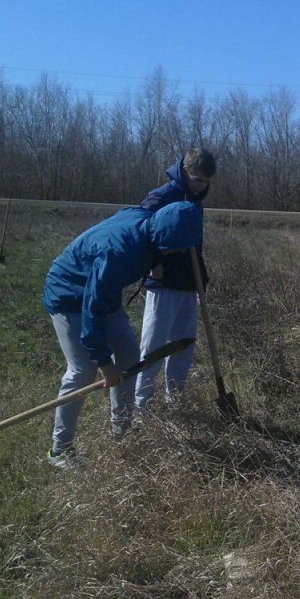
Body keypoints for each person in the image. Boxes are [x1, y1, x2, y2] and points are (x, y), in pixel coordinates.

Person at [42, 200, 203, 468]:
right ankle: (60, 450)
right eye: (175, 246)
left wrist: (154, 260)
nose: (176, 251)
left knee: (129, 356)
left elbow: (105, 288)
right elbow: (91, 309)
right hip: (68, 294)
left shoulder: (147, 220)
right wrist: (105, 364)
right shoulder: (117, 254)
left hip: (101, 292)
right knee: (83, 370)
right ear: (165, 235)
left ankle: (122, 430)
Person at [134, 148, 216, 411]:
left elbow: (195, 244)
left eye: (207, 181)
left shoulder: (196, 200)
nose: (202, 186)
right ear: (184, 171)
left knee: (184, 344)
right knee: (153, 346)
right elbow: (139, 232)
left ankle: (176, 401)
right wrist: (153, 263)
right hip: (163, 282)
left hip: (189, 282)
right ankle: (142, 406)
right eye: (198, 179)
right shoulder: (162, 196)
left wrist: (200, 277)